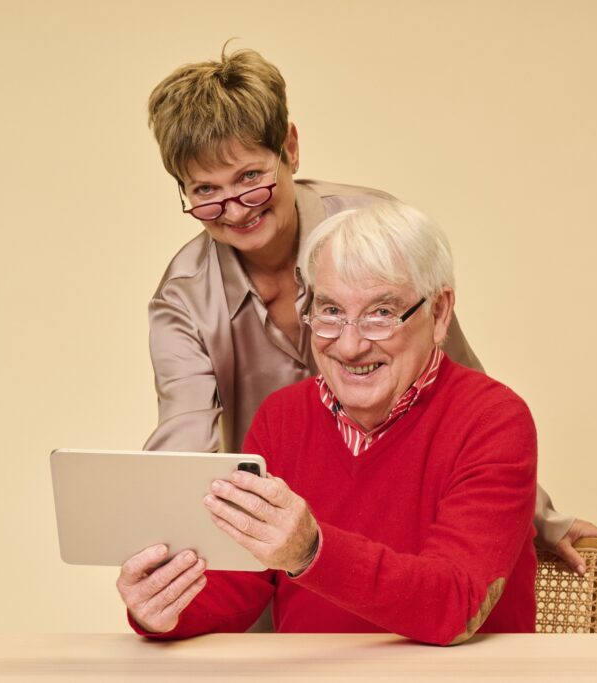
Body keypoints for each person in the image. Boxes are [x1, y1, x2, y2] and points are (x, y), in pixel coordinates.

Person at [141, 46, 597, 573]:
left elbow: (463, 391)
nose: (233, 210)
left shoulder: (376, 228)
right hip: (269, 554)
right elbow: (182, 446)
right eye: (206, 191)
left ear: (290, 149)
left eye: (250, 178)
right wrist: (160, 563)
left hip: (407, 539)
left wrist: (541, 517)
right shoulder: (182, 297)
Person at [118, 201, 538, 643]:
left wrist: (312, 551)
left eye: (381, 313)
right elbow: (239, 586)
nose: (351, 345)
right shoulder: (282, 417)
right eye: (331, 311)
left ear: (438, 314)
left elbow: (456, 605)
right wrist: (163, 607)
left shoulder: (494, 420)